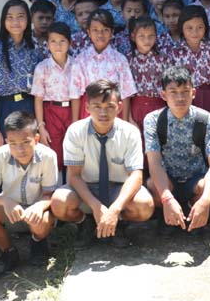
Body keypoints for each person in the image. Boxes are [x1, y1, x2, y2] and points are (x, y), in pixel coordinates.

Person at [51, 79, 155, 249]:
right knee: (59, 202)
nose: (103, 113)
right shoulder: (76, 131)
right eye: (97, 106)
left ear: (120, 107)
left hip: (118, 188)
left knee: (144, 206)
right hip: (87, 188)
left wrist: (115, 210)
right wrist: (95, 206)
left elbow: (136, 175)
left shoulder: (130, 132)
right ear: (87, 107)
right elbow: (74, 176)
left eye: (109, 107)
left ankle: (118, 223)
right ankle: (86, 224)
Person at [0, 112, 60, 277]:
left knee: (42, 221)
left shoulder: (48, 156)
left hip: (37, 212)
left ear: (36, 139)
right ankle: (9, 251)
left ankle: (38, 242)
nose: (20, 149)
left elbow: (50, 194)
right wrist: (5, 201)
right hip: (10, 212)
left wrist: (39, 206)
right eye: (13, 144)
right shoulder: (0, 155)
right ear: (7, 142)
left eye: (26, 142)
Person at [144, 66, 210, 233]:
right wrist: (166, 198)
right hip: (167, 179)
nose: (180, 97)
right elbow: (154, 163)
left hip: (195, 178)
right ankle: (167, 215)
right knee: (151, 184)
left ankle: (194, 212)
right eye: (173, 92)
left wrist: (206, 200)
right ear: (163, 95)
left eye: (185, 91)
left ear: (193, 93)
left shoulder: (207, 120)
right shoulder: (153, 120)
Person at [0, 0, 42, 153]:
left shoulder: (35, 49)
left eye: (20, 16)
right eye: (10, 17)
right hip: (3, 109)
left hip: (29, 107)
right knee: (3, 157)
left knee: (28, 155)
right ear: (3, 20)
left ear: (28, 19)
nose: (15, 22)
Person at [71, 10, 138, 118]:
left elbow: (126, 94)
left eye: (105, 30)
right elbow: (75, 95)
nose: (100, 34)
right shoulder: (80, 60)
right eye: (95, 30)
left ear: (112, 32)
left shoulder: (120, 60)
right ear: (88, 32)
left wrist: (125, 121)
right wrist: (75, 122)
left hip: (113, 111)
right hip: (89, 112)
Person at [169, 6, 210, 129]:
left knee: (208, 132)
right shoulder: (175, 52)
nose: (195, 32)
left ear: (206, 27)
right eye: (189, 28)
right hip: (184, 97)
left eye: (199, 27)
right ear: (182, 29)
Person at [32, 22, 78, 168]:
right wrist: (41, 126)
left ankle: (71, 185)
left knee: (72, 149)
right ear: (47, 44)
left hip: (71, 110)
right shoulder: (42, 67)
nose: (58, 45)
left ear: (70, 43)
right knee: (53, 149)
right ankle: (55, 186)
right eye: (53, 41)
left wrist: (75, 123)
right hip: (51, 111)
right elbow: (38, 98)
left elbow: (76, 97)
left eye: (62, 41)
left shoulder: (76, 65)